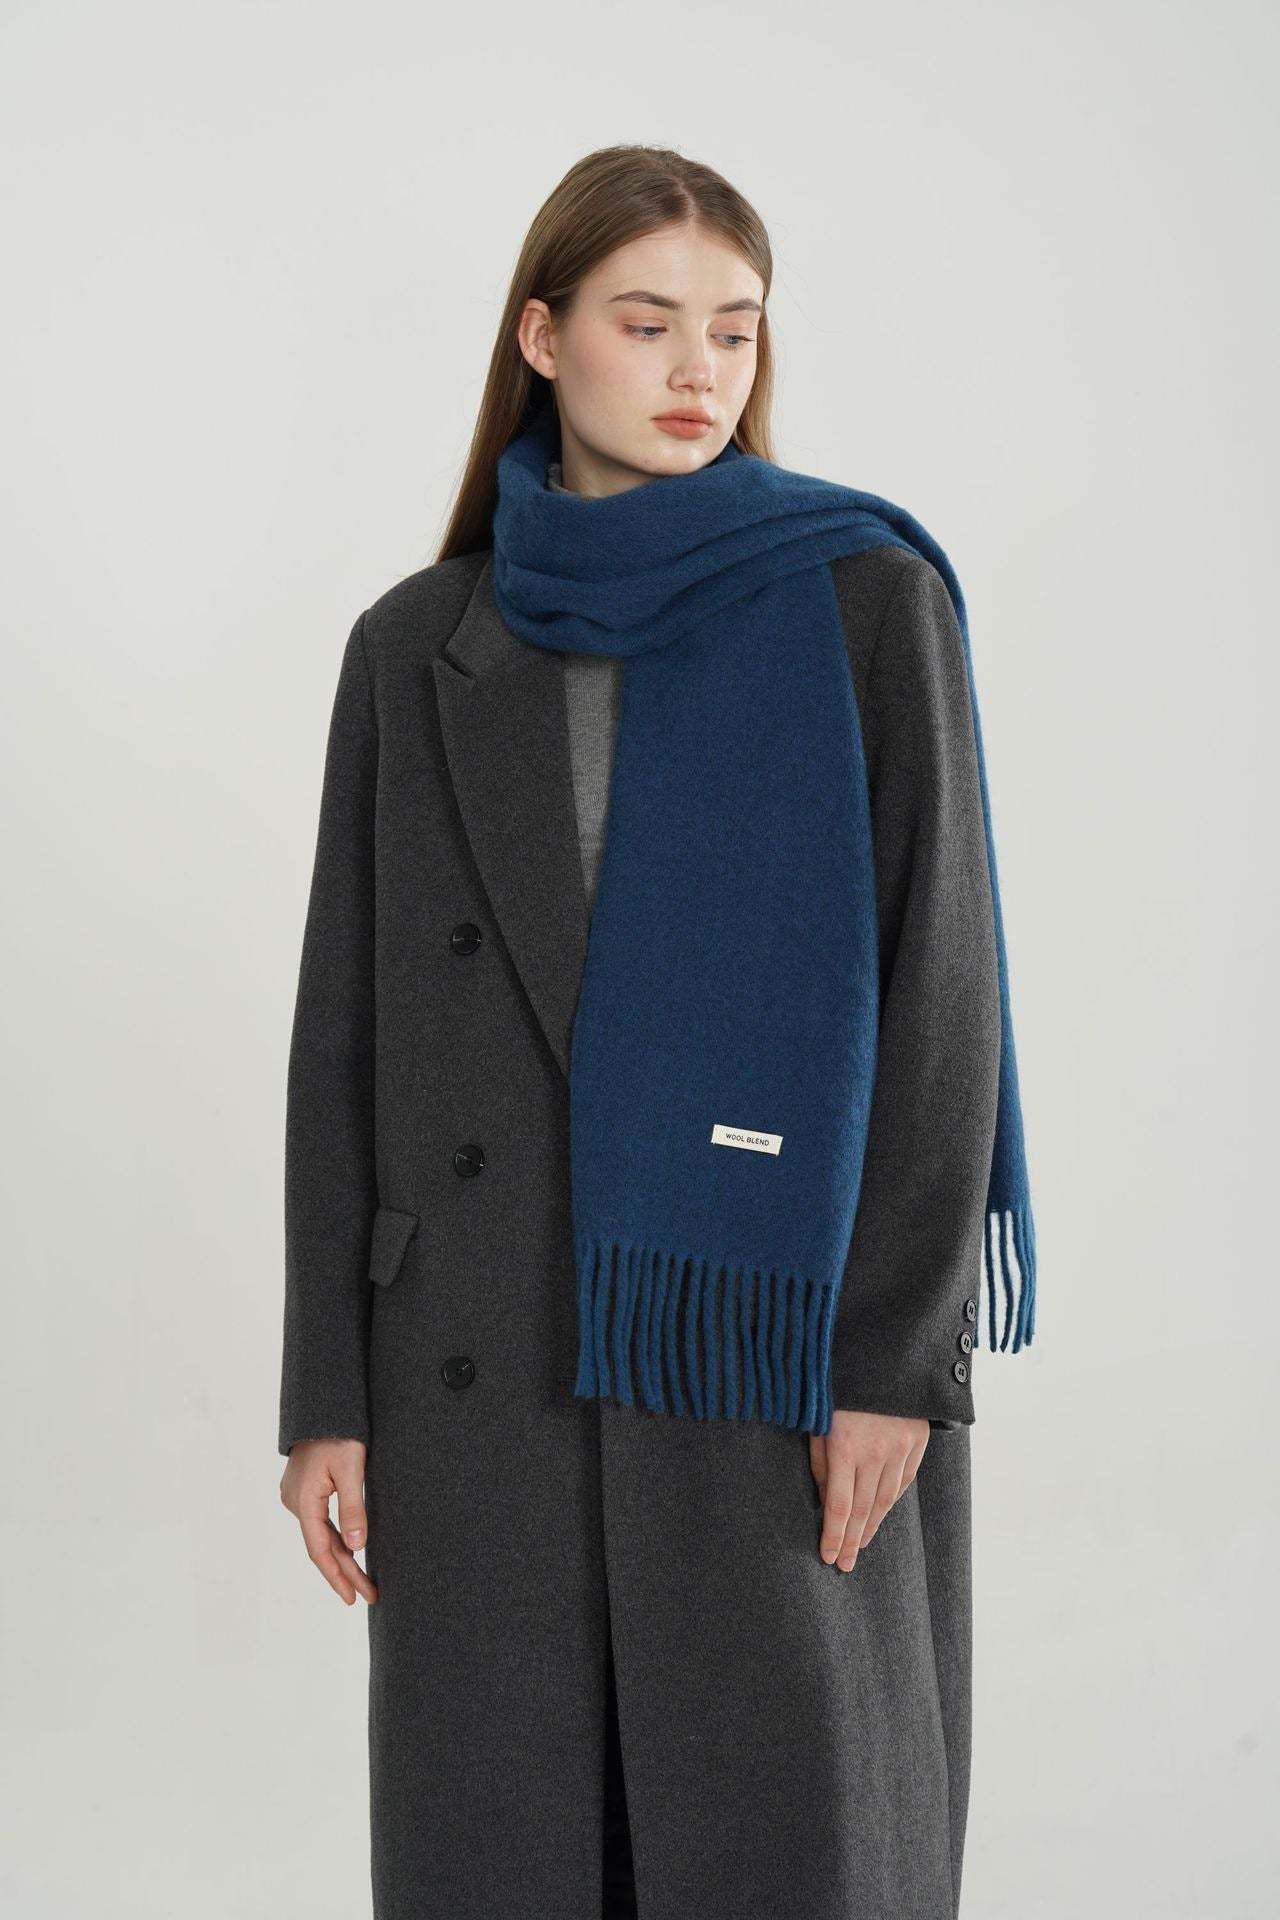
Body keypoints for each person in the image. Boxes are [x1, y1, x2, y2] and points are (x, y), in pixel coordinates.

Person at [277, 143, 1037, 1920]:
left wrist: (891, 1360)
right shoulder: (417, 645)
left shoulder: (863, 603)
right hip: (479, 1359)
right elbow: (345, 1040)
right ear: (542, 338)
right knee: (508, 1853)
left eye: (735, 330)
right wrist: (328, 1394)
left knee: (788, 1846)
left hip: (769, 1349)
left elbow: (945, 998)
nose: (702, 371)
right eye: (649, 323)